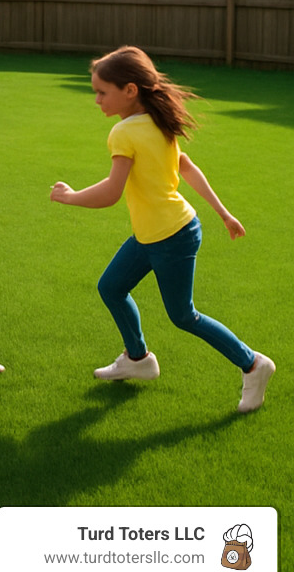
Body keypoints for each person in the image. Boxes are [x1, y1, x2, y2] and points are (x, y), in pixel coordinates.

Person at [50, 46, 274, 413]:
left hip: (171, 236)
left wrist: (70, 197)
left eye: (102, 92)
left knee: (183, 315)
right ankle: (138, 360)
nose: (96, 100)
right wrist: (223, 214)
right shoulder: (157, 119)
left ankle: (253, 364)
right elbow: (186, 166)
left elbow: (110, 193)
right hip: (154, 233)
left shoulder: (124, 132)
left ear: (130, 91)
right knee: (111, 287)